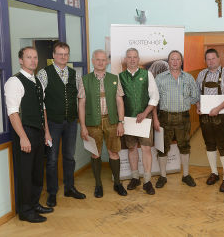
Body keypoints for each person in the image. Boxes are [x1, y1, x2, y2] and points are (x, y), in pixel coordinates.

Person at [4, 47, 53, 223]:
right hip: (25, 132)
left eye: (35, 57)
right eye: (28, 57)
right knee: (25, 173)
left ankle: (34, 204)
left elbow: (43, 108)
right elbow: (13, 113)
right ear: (21, 60)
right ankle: (25, 211)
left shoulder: (38, 81)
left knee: (37, 172)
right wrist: (23, 137)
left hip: (39, 132)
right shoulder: (14, 82)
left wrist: (46, 131)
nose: (33, 60)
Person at [37, 42, 86, 208]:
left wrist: (81, 123)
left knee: (69, 157)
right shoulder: (44, 74)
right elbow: (40, 102)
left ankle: (69, 187)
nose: (63, 57)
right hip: (52, 123)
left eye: (66, 54)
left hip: (71, 122)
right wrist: (45, 129)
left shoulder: (75, 74)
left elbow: (80, 99)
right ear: (53, 55)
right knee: (51, 160)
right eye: (60, 54)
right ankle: (52, 192)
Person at [78, 49, 127, 198]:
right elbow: (81, 104)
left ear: (107, 61)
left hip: (111, 121)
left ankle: (117, 183)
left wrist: (121, 122)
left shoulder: (114, 78)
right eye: (97, 59)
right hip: (92, 123)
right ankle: (98, 185)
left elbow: (120, 102)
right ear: (93, 61)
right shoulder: (85, 80)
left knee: (114, 152)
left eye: (103, 59)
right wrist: (83, 127)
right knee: (95, 153)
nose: (100, 62)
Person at [154, 50, 200, 188]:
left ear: (181, 61)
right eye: (172, 59)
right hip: (164, 117)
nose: (175, 62)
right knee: (163, 148)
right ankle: (162, 176)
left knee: (184, 146)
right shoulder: (160, 78)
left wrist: (192, 103)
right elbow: (153, 101)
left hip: (183, 117)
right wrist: (155, 119)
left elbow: (196, 96)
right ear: (168, 62)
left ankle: (186, 175)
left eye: (178, 59)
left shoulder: (188, 78)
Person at [195, 48, 224, 192]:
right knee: (209, 144)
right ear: (205, 60)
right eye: (208, 59)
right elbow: (197, 94)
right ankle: (214, 173)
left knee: (223, 144)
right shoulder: (201, 74)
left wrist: (218, 108)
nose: (211, 61)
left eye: (213, 58)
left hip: (222, 114)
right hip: (205, 116)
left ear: (219, 59)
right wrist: (198, 106)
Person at [119, 48, 159, 195]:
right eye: (129, 57)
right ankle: (135, 177)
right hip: (128, 119)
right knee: (131, 149)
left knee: (146, 149)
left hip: (145, 118)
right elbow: (118, 101)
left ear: (138, 58)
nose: (132, 59)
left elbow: (154, 97)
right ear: (125, 59)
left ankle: (147, 181)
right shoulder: (120, 77)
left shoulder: (147, 74)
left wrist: (145, 113)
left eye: (135, 57)